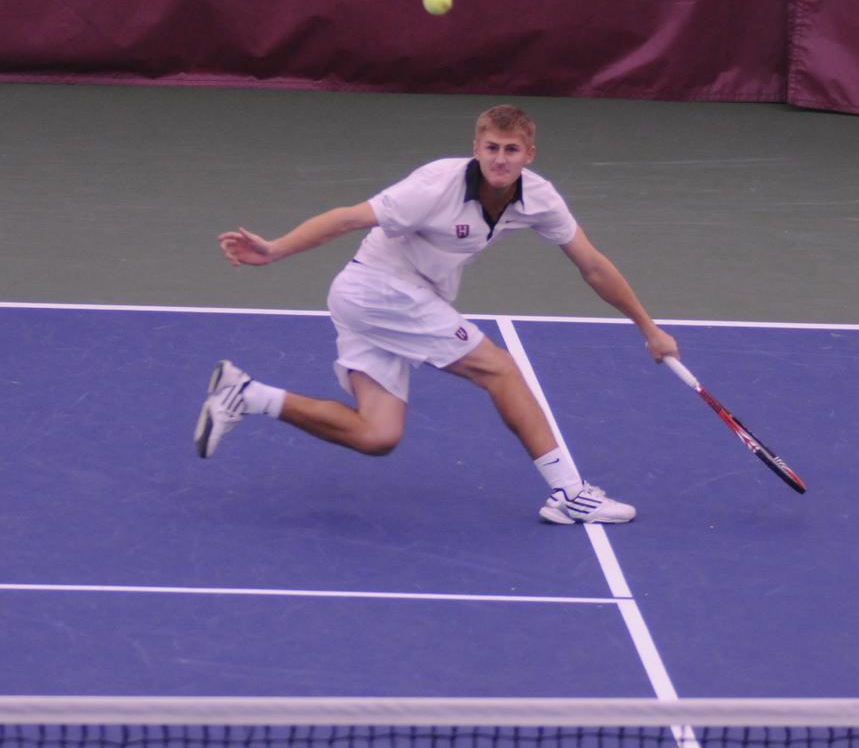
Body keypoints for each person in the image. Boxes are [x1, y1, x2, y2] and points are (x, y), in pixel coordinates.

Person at [195, 104, 679, 524]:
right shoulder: (433, 186)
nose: (500, 159)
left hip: (390, 301)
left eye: (511, 150)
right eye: (491, 148)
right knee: (499, 369)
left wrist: (648, 328)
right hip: (379, 292)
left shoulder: (540, 198)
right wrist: (275, 249)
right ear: (476, 148)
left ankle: (246, 394)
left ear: (529, 155)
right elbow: (348, 218)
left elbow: (592, 265)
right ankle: (570, 494)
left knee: (377, 435)